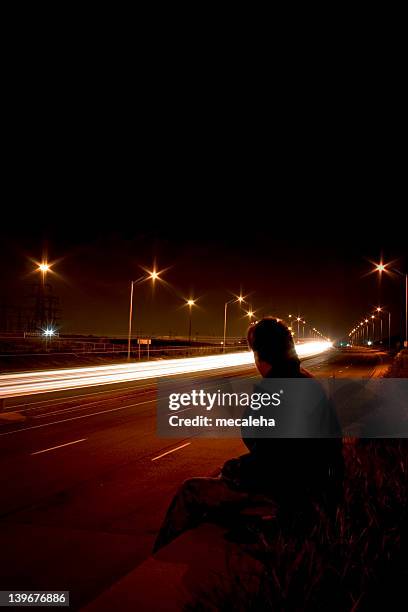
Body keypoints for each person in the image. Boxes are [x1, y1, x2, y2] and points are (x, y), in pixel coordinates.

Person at [153, 318, 344, 552]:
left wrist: (235, 468)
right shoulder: (307, 381)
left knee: (191, 491)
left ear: (260, 355)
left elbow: (276, 462)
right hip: (321, 489)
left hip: (294, 496)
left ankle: (161, 556)